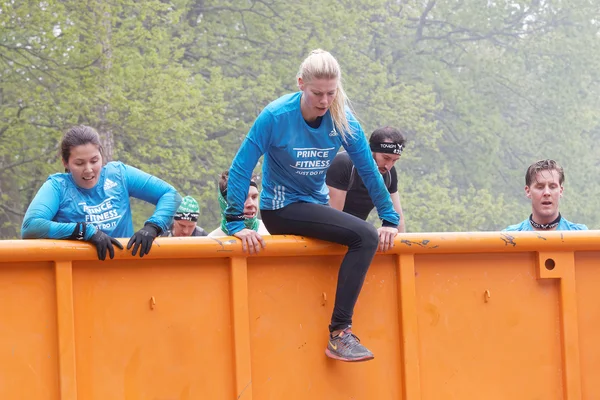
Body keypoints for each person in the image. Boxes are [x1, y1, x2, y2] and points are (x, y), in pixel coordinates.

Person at [224, 49, 399, 362]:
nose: (324, 101)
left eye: (331, 93)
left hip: (314, 204)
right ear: (301, 83)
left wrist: (389, 218)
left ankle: (337, 327)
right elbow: (241, 166)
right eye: (317, 93)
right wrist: (236, 221)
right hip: (281, 208)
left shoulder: (341, 118)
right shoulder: (276, 116)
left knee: (365, 234)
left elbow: (370, 171)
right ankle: (340, 333)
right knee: (365, 237)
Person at [21, 125, 182, 260]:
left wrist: (153, 227)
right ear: (66, 162)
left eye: (94, 160)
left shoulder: (119, 174)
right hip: (76, 278)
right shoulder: (58, 186)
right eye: (79, 163)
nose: (88, 169)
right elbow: (30, 227)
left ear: (102, 156)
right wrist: (85, 231)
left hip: (123, 273)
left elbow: (170, 195)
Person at [327, 126, 406, 232]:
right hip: (327, 230)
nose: (388, 166)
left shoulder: (389, 173)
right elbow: (332, 219)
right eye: (386, 158)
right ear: (371, 150)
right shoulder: (344, 164)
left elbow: (398, 220)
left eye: (394, 160)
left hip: (355, 234)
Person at [504, 159, 587, 231]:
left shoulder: (581, 234)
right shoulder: (508, 237)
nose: (546, 193)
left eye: (552, 187)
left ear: (560, 191)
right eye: (540, 187)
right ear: (528, 191)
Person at [208, 170, 269, 237]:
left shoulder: (272, 231)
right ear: (224, 202)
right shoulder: (210, 241)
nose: (251, 204)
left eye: (254, 197)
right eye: (242, 198)